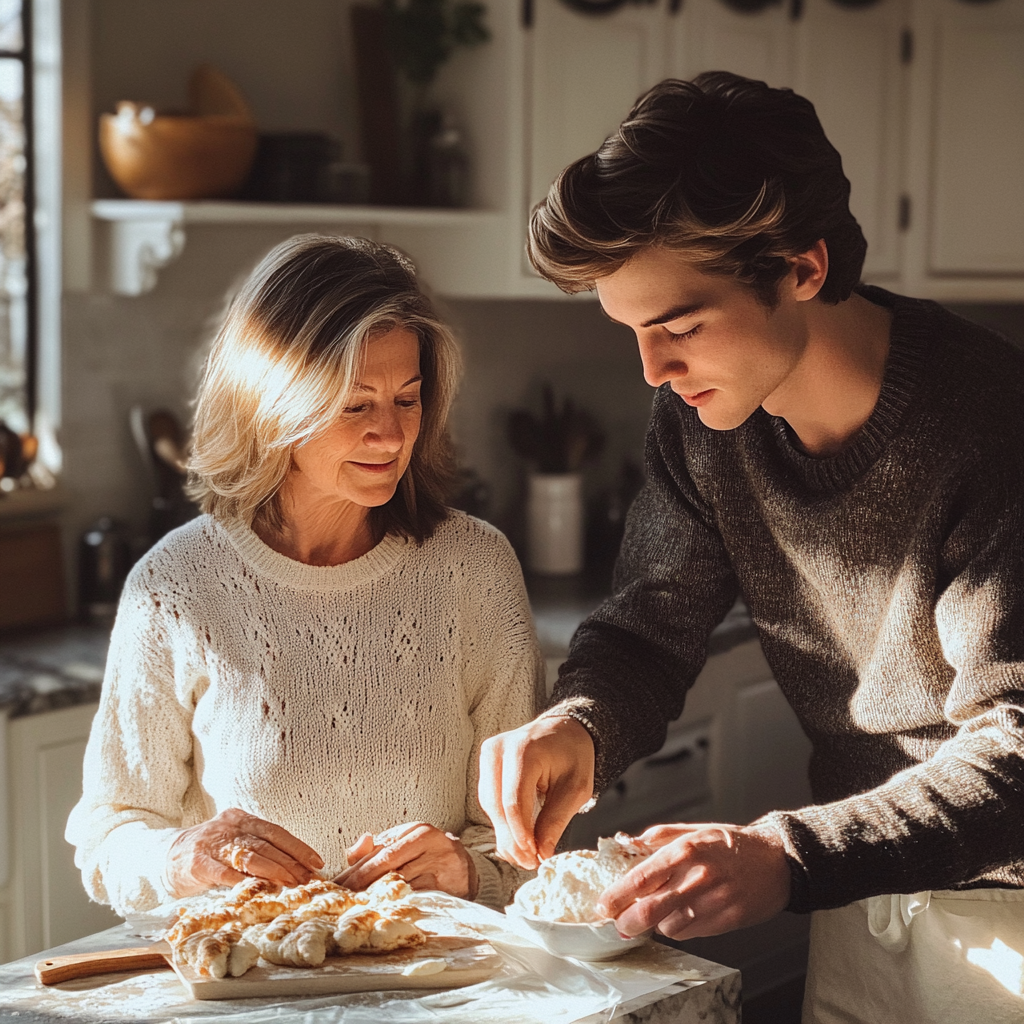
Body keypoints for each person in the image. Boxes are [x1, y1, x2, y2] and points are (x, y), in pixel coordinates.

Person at [478, 72, 1024, 1022]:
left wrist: (785, 856)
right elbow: (648, 629)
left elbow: (1016, 746)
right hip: (856, 898)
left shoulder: (990, 424)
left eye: (680, 326)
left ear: (804, 269)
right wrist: (579, 724)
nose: (654, 369)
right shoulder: (699, 425)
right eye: (634, 333)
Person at [67, 234, 543, 916]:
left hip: (438, 994)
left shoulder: (475, 570)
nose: (391, 434)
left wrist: (469, 872)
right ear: (271, 404)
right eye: (355, 405)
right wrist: (182, 857)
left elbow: (527, 850)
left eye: (407, 400)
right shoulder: (173, 587)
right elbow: (107, 834)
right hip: (258, 999)